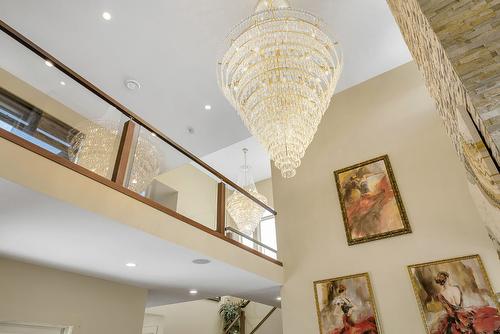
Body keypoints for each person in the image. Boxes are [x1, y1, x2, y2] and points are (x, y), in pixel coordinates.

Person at [431, 271, 500, 334]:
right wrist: (463, 313)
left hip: (457, 316)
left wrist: (459, 319)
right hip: (464, 312)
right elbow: (461, 305)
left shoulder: (441, 294)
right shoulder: (456, 287)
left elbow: (450, 312)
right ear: (447, 278)